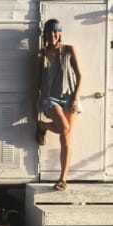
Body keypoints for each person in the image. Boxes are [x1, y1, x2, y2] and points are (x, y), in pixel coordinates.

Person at [33, 18, 82, 191]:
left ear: (59, 33)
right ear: (45, 34)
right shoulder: (41, 55)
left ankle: (62, 179)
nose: (53, 35)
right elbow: (36, 82)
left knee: (66, 138)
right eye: (49, 32)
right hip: (50, 99)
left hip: (69, 98)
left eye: (56, 31)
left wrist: (75, 98)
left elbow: (80, 76)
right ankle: (43, 125)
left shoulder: (69, 50)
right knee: (64, 128)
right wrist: (34, 104)